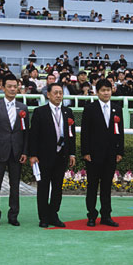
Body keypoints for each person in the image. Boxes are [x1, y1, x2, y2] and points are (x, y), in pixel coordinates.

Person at [29, 83, 76, 228]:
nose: (58, 95)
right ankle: (43, 217)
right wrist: (33, 155)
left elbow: (71, 135)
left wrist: (72, 153)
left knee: (57, 188)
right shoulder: (39, 112)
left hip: (61, 156)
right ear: (48, 94)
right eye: (55, 93)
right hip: (43, 156)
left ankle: (53, 214)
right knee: (43, 187)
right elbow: (33, 135)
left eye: (60, 93)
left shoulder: (68, 112)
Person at [81, 79, 124, 227]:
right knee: (92, 186)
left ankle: (106, 215)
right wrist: (85, 152)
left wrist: (120, 151)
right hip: (93, 155)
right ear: (97, 92)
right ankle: (91, 215)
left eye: (108, 90)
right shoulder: (89, 109)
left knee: (106, 186)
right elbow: (85, 132)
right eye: (103, 90)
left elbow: (120, 133)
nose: (106, 93)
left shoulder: (117, 109)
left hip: (111, 154)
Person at [0, 74, 29, 226]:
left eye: (15, 86)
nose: (12, 89)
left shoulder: (23, 108)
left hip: (17, 153)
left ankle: (13, 215)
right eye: (9, 86)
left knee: (15, 186)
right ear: (3, 88)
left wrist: (25, 152)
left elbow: (26, 133)